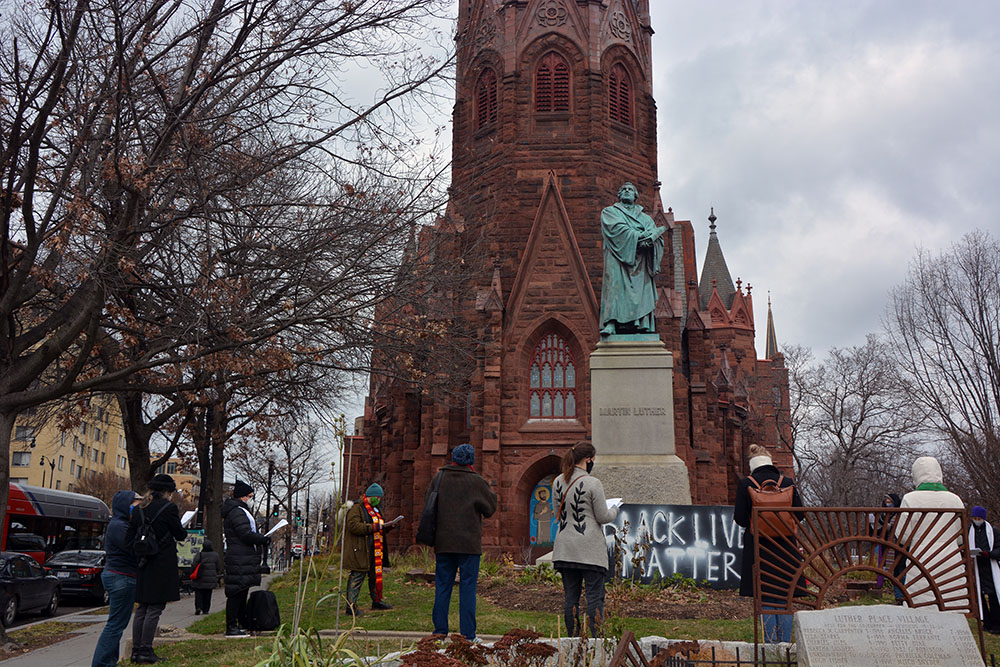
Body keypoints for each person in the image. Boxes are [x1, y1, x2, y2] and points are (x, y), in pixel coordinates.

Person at [734, 444, 803, 644]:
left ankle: (772, 647)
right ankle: (786, 646)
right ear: (770, 461)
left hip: (759, 547)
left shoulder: (746, 483)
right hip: (786, 547)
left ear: (752, 464)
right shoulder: (787, 482)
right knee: (785, 596)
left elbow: (739, 518)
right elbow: (801, 514)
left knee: (765, 597)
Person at [429, 443, 497, 641]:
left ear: (454, 458)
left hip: (444, 542)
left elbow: (428, 504)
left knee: (442, 586)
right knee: (468, 588)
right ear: (471, 460)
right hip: (468, 544)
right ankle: (468, 635)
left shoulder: (439, 478)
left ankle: (439, 632)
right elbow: (490, 509)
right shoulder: (476, 481)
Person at [551, 442, 619, 637]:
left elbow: (557, 514)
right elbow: (602, 517)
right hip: (589, 549)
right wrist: (615, 509)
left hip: (565, 548)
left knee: (570, 598)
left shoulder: (557, 481)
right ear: (588, 460)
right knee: (594, 597)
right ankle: (597, 641)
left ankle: (573, 640)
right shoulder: (592, 483)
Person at [125, 474, 187, 664]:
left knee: (143, 606)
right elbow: (180, 534)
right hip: (161, 562)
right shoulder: (169, 508)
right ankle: (146, 649)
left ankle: (136, 650)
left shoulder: (139, 510)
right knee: (155, 608)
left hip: (143, 562)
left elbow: (128, 540)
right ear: (167, 491)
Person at [896, 456, 966, 610]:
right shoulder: (955, 500)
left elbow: (902, 537)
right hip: (950, 561)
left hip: (921, 561)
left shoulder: (910, 499)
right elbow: (961, 537)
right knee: (953, 606)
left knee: (922, 608)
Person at [598, 182, 665, 336]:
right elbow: (616, 230)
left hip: (640, 261)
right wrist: (640, 236)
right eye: (624, 190)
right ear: (619, 195)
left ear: (636, 196)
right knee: (614, 286)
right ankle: (611, 323)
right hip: (616, 257)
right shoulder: (609, 212)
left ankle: (640, 324)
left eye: (631, 190)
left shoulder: (645, 218)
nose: (627, 191)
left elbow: (656, 237)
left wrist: (651, 240)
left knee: (642, 289)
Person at [91, 490, 140, 667]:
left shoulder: (120, 524)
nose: (138, 507)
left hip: (120, 575)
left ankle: (108, 661)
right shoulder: (120, 526)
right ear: (125, 505)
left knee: (117, 624)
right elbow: (134, 548)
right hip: (121, 576)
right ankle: (102, 663)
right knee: (115, 625)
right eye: (135, 504)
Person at [343, 483, 403, 616]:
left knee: (375, 576)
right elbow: (353, 526)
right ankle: (350, 606)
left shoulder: (376, 509)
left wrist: (387, 527)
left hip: (375, 549)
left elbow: (378, 526)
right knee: (357, 576)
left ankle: (377, 601)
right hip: (360, 549)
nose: (380, 500)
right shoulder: (356, 508)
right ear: (371, 496)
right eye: (378, 497)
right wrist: (373, 527)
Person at [222, 479, 271, 636]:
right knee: (237, 593)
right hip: (240, 558)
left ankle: (238, 623)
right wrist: (261, 539)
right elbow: (244, 534)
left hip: (240, 557)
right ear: (242, 496)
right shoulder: (237, 512)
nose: (250, 499)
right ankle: (231, 626)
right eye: (249, 496)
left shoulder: (237, 511)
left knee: (241, 591)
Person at [969, 506, 1000, 632]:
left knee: (993, 597)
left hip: (991, 567)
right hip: (977, 567)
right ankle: (986, 622)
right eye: (975, 518)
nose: (977, 520)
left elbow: (998, 548)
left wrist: (989, 554)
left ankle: (997, 624)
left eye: (979, 518)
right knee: (980, 596)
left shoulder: (993, 531)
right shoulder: (970, 531)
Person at [190, 538, 222, 615]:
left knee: (199, 594)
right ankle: (206, 609)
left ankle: (198, 607)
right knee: (208, 594)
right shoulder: (215, 555)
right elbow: (218, 567)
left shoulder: (200, 555)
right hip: (210, 579)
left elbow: (194, 565)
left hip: (199, 578)